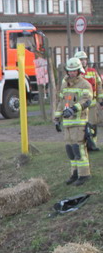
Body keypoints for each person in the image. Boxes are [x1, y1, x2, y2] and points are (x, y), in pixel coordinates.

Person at [54, 57, 94, 186]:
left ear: (79, 71)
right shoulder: (64, 84)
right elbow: (61, 102)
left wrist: (73, 109)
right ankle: (74, 173)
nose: (71, 73)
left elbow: (86, 101)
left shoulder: (85, 84)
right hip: (67, 123)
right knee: (70, 150)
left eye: (74, 71)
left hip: (79, 122)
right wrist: (57, 117)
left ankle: (84, 174)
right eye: (69, 71)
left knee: (79, 148)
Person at [75, 50, 102, 151]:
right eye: (81, 59)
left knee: (93, 125)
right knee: (80, 126)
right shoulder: (74, 74)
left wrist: (100, 99)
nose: (83, 61)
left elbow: (99, 86)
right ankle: (81, 145)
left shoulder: (92, 71)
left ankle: (93, 145)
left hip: (92, 104)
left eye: (85, 59)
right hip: (79, 106)